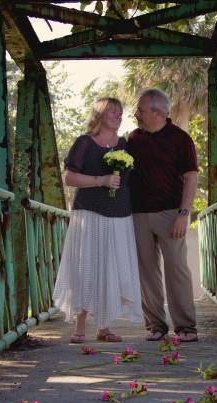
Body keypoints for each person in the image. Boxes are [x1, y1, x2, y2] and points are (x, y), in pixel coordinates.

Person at [53, 97, 143, 343]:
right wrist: (100, 181)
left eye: (120, 112)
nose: (118, 116)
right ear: (100, 115)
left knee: (111, 266)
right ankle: (80, 326)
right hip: (89, 213)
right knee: (87, 265)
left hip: (119, 213)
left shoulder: (124, 145)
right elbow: (70, 178)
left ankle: (104, 326)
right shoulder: (85, 142)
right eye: (113, 112)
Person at [128, 88, 199, 342]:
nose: (136, 114)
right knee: (146, 271)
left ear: (157, 112)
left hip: (171, 214)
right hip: (138, 215)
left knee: (177, 268)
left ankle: (186, 327)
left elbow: (191, 177)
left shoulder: (181, 139)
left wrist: (184, 213)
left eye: (141, 110)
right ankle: (156, 325)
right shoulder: (133, 138)